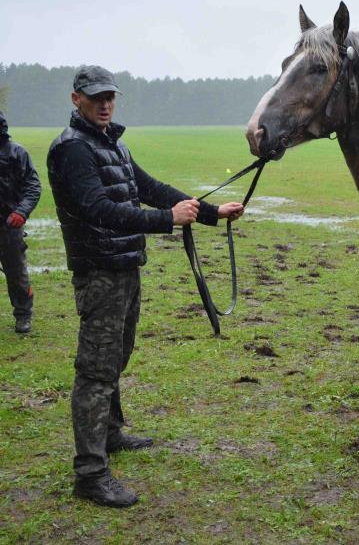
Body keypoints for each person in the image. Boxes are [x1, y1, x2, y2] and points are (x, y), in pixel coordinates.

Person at [47, 65, 245, 508]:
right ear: (76, 98)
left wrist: (211, 213)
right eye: (96, 97)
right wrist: (164, 221)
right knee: (96, 372)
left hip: (124, 267)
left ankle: (111, 433)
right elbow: (98, 209)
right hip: (99, 272)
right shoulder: (72, 150)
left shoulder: (111, 144)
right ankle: (91, 474)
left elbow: (150, 187)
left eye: (110, 96)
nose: (105, 103)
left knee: (118, 354)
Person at [0, 111, 41, 334]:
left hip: (9, 225)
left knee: (16, 274)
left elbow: (33, 187)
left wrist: (21, 212)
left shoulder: (17, 153)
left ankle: (23, 315)